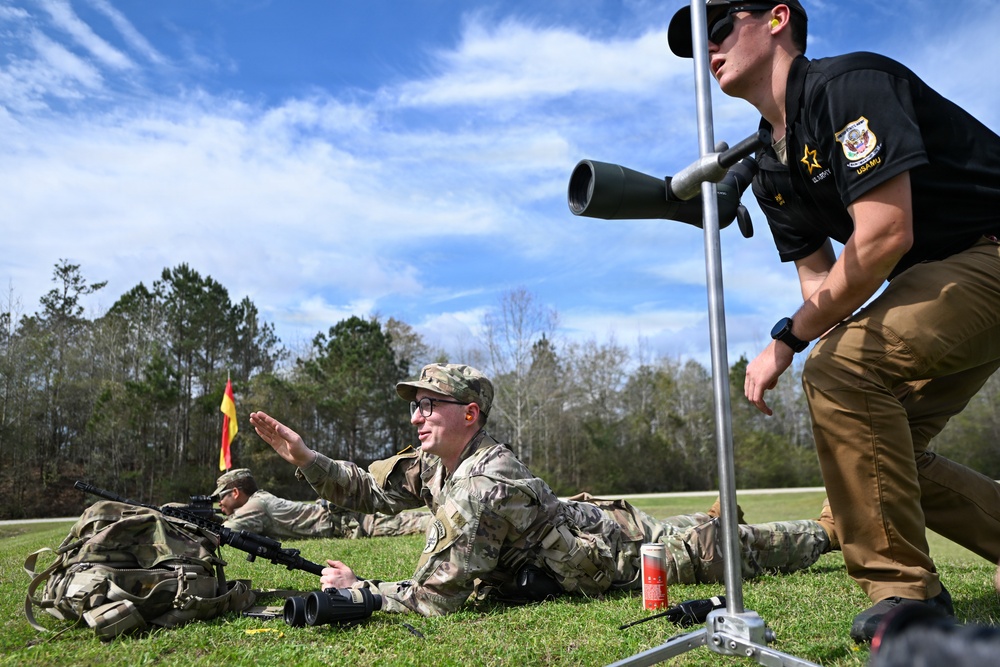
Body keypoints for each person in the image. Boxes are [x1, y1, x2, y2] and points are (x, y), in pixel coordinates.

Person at [666, 0, 1000, 642]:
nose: (707, 52)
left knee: (839, 366)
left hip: (986, 253)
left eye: (717, 28)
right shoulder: (768, 166)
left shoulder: (848, 88)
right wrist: (799, 330)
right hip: (937, 278)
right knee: (879, 450)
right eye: (696, 47)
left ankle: (906, 594)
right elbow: (819, 282)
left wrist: (788, 340)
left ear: (776, 18)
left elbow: (882, 238)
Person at [249, 362, 837, 617]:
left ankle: (829, 531)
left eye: (429, 405)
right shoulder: (435, 465)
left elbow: (435, 598)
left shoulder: (482, 484)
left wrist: (359, 590)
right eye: (416, 407)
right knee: (709, 532)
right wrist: (305, 457)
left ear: (470, 413)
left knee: (737, 551)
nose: (416, 417)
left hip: (618, 554)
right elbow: (369, 490)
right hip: (589, 528)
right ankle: (713, 517)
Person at [211, 468, 432, 540]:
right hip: (339, 516)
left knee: (414, 523)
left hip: (346, 523)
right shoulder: (260, 500)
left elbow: (226, 532)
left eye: (221, 497)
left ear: (236, 492)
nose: (219, 502)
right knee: (409, 520)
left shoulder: (256, 506)